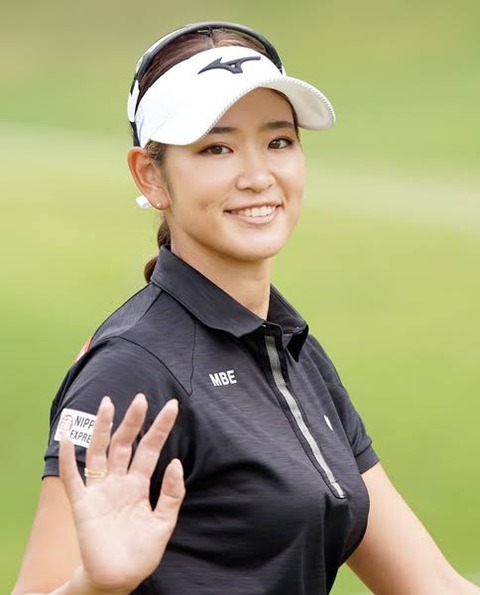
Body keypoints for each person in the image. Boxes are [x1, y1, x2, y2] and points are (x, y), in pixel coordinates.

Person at [12, 21, 480, 595]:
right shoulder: (130, 368)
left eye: (279, 142)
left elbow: (429, 583)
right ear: (151, 176)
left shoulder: (292, 352)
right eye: (217, 148)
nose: (259, 176)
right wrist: (94, 586)